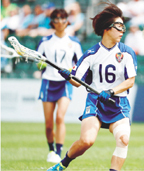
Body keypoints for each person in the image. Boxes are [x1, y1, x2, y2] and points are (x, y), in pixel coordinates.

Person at [47, 2, 137, 171]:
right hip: (96, 102)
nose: (122, 30)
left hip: (118, 104)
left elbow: (130, 81)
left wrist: (111, 91)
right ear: (107, 28)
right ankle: (62, 164)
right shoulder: (91, 54)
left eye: (123, 26)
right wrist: (68, 77)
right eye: (119, 26)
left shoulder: (127, 52)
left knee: (123, 139)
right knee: (87, 141)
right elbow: (77, 81)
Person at [37, 8, 83, 163]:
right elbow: (39, 64)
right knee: (49, 124)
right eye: (56, 19)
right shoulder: (44, 42)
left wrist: (72, 72)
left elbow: (80, 65)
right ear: (52, 22)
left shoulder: (74, 42)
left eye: (62, 19)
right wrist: (40, 66)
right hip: (48, 83)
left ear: (67, 21)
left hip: (65, 83)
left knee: (60, 117)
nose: (59, 22)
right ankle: (51, 150)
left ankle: (58, 151)